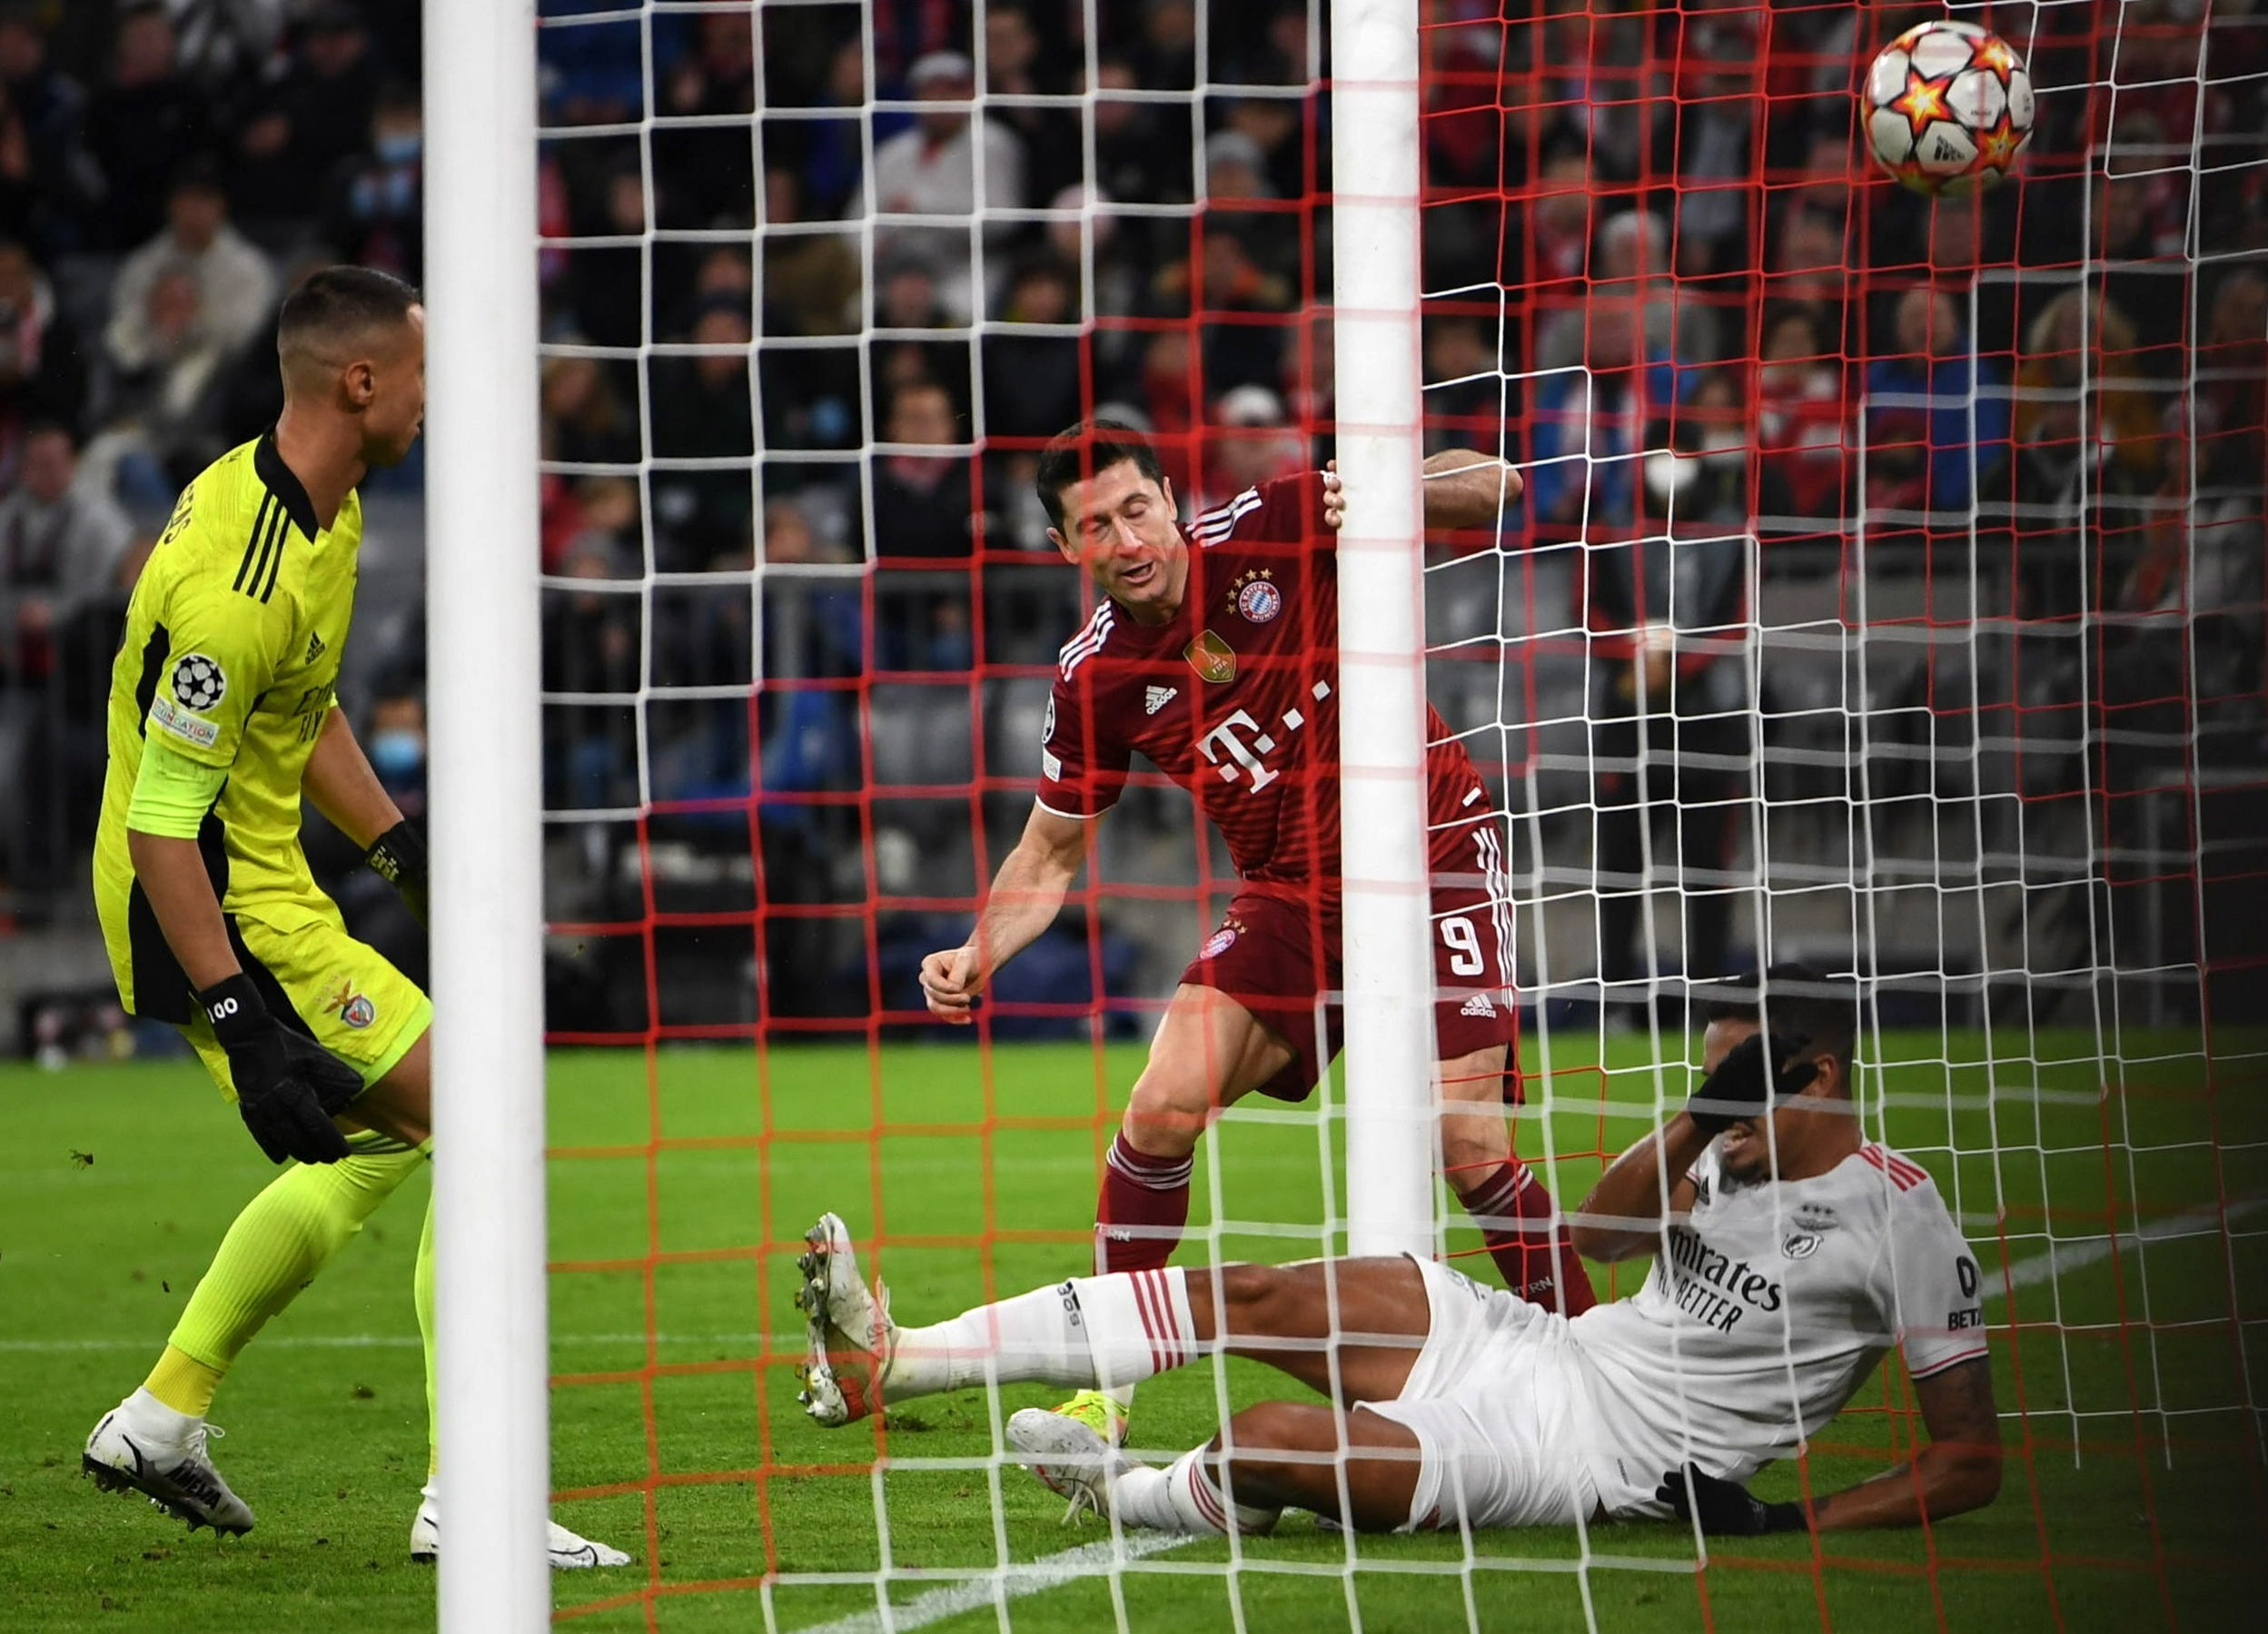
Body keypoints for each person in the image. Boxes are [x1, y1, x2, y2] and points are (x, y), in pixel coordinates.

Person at [77, 266, 627, 1570]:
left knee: (372, 1147)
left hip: (262, 876)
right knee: (485, 1124)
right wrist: (236, 1014)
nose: (439, 400)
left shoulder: (324, 505)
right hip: (199, 897)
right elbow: (164, 820)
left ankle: (164, 1409)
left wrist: (398, 849)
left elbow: (302, 706)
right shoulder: (238, 582)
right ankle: (471, 1491)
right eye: (425, 374)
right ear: (360, 381)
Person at [917, 419, 1590, 1452]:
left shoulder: (1274, 522)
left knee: (1466, 1142)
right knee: (1158, 1104)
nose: (1127, 538)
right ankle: (1105, 1389)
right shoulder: (1093, 678)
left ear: (1171, 499)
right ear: (1066, 550)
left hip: (1434, 847)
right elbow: (1048, 854)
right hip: (1291, 893)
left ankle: (1605, 1379)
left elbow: (1494, 485)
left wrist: (1378, 488)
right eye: (1095, 526)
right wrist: (978, 950)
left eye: (1137, 507)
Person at [797, 966, 2002, 1540]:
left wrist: (1799, 1520)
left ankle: (1130, 1496)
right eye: (1711, 1073)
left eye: (1741, 1074)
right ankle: (896, 1359)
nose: (1716, 1096)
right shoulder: (1718, 1139)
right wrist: (1695, 1115)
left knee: (1261, 1445)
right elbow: (1598, 1234)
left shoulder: (1900, 1214)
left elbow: (1967, 1460)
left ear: (1823, 1074)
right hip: (1545, 1346)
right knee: (1255, 1286)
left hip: (1582, 1451)